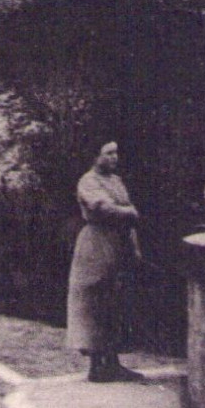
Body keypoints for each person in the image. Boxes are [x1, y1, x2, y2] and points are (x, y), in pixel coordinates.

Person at [66, 141, 144, 383]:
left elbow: (126, 216)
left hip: (119, 243)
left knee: (116, 301)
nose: (114, 157)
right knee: (95, 300)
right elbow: (101, 207)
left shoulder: (116, 181)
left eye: (116, 153)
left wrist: (134, 246)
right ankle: (96, 364)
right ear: (95, 156)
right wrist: (128, 211)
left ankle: (113, 362)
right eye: (108, 153)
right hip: (96, 244)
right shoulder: (88, 181)